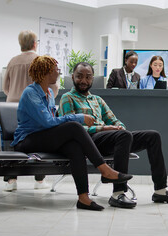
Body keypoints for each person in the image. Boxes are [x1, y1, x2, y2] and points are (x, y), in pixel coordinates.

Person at [11, 56, 132, 211]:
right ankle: (104, 169)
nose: (59, 73)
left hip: (45, 137)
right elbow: (47, 122)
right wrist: (80, 117)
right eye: (56, 70)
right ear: (46, 72)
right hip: (27, 140)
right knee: (74, 127)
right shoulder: (31, 93)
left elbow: (50, 123)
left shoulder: (48, 92)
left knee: (74, 146)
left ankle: (83, 198)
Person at [58, 62, 168, 209]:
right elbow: (72, 128)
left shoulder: (97, 100)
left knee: (153, 136)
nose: (84, 81)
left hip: (110, 138)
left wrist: (119, 128)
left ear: (92, 79)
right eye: (79, 77)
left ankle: (160, 190)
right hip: (89, 141)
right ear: (73, 76)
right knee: (123, 136)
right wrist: (104, 128)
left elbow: (115, 120)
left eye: (88, 77)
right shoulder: (67, 98)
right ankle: (118, 193)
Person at [2, 30, 59, 191]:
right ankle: (39, 180)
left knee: (16, 141)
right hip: (36, 109)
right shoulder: (40, 61)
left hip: (11, 105)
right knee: (38, 138)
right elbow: (52, 89)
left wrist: (15, 96)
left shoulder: (13, 61)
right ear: (35, 44)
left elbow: (5, 87)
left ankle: (11, 180)